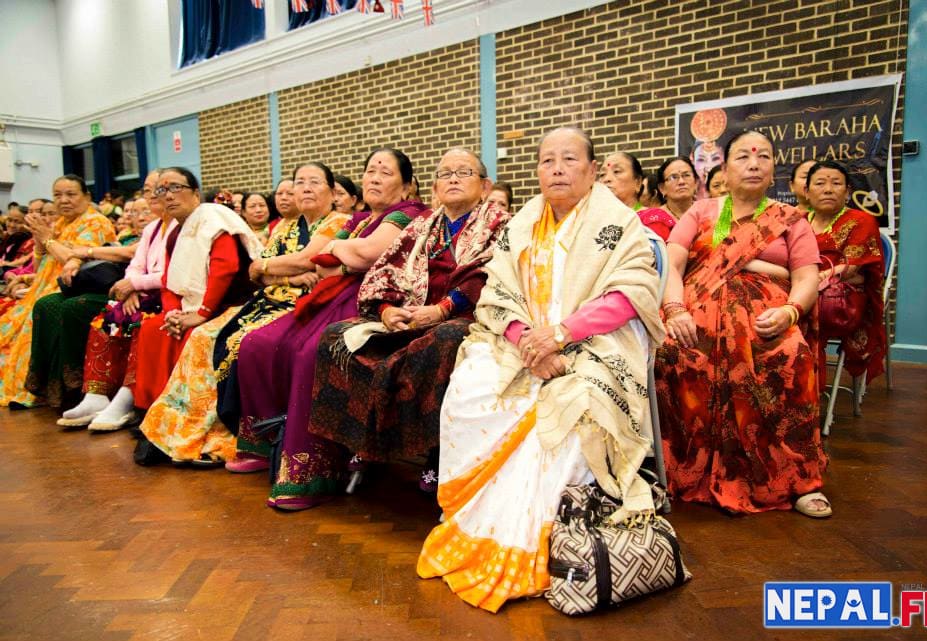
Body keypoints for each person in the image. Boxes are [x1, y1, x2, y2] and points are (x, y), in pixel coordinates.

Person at [417, 127, 664, 612]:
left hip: (595, 338)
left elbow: (631, 291)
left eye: (569, 159)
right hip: (528, 342)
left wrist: (562, 334)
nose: (556, 168)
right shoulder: (523, 221)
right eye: (547, 160)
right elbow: (497, 291)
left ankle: (539, 537)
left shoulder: (620, 222)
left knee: (570, 405)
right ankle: (472, 520)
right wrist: (525, 340)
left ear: (593, 170)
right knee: (472, 386)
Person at [232, 148, 428, 509]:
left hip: (374, 300)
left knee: (312, 352)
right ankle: (265, 443)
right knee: (258, 343)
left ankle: (311, 471)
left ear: (406, 186)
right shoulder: (356, 219)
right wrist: (340, 255)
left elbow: (366, 255)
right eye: (369, 171)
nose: (373, 178)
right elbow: (318, 263)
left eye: (385, 173)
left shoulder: (407, 214)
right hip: (333, 293)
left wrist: (338, 252)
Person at [308, 148, 512, 492]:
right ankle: (365, 443)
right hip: (410, 316)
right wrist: (387, 311)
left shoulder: (500, 222)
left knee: (443, 340)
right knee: (336, 337)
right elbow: (385, 270)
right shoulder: (423, 225)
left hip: (465, 318)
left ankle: (436, 455)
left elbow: (491, 274)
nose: (453, 179)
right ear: (433, 186)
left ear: (485, 184)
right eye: (445, 173)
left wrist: (443, 308)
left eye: (463, 172)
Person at [655, 130, 829, 518]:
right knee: (669, 352)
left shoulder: (789, 220)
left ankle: (797, 480)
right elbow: (673, 263)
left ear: (773, 172)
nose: (754, 164)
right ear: (724, 169)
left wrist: (789, 313)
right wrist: (674, 308)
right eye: (743, 157)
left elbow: (806, 279)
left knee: (792, 356)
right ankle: (680, 471)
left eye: (764, 157)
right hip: (694, 314)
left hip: (768, 318)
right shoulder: (700, 213)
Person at [137, 162, 350, 464]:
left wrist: (275, 268)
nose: (305, 188)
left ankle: (228, 434)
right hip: (267, 299)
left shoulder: (339, 221)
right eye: (299, 181)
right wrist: (283, 273)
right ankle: (186, 430)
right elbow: (255, 271)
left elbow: (308, 260)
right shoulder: (285, 227)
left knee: (237, 344)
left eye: (314, 182)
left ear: (332, 192)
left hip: (303, 306)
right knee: (202, 336)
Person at [128, 167, 261, 438]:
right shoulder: (175, 232)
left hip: (231, 305)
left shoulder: (213, 220)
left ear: (196, 193)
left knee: (194, 335)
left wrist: (201, 313)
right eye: (162, 190)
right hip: (192, 308)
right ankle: (153, 412)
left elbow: (226, 267)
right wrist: (172, 314)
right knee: (155, 330)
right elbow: (168, 280)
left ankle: (189, 419)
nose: (169, 196)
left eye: (176, 187)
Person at [57, 173, 177, 429]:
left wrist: (135, 284)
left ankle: (129, 396)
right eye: (148, 190)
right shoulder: (152, 229)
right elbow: (135, 264)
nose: (154, 195)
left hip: (170, 294)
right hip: (143, 291)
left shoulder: (181, 226)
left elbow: (175, 272)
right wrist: (129, 288)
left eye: (161, 190)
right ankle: (97, 395)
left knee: (141, 322)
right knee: (108, 316)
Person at [0, 176, 117, 407]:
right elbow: (41, 266)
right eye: (58, 195)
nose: (63, 200)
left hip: (75, 288)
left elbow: (70, 261)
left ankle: (32, 392)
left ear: (86, 196)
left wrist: (47, 238)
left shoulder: (96, 223)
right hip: (43, 287)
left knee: (29, 324)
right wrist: (40, 242)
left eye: (71, 194)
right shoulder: (61, 224)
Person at [26, 192, 150, 409]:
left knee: (76, 307)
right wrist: (76, 258)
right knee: (46, 304)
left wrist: (81, 252)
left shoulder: (159, 233)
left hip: (139, 292)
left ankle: (80, 387)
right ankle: (50, 386)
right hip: (110, 287)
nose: (139, 216)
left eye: (146, 210)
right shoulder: (124, 236)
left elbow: (128, 255)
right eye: (136, 211)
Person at [806, 159, 886, 388]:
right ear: (806, 191)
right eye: (820, 183)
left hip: (839, 299)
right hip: (804, 289)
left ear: (848, 191)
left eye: (836, 183)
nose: (828, 189)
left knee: (804, 316)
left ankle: (809, 394)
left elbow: (850, 268)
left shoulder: (861, 220)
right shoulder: (799, 223)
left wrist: (808, 280)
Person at [600, 151, 675, 240]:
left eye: (616, 171)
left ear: (638, 182)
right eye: (602, 174)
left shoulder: (653, 219)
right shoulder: (595, 221)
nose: (606, 179)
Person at [656, 156, 698, 222]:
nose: (681, 182)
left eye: (686, 175)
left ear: (696, 182)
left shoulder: (709, 213)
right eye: (674, 177)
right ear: (662, 188)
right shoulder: (653, 218)